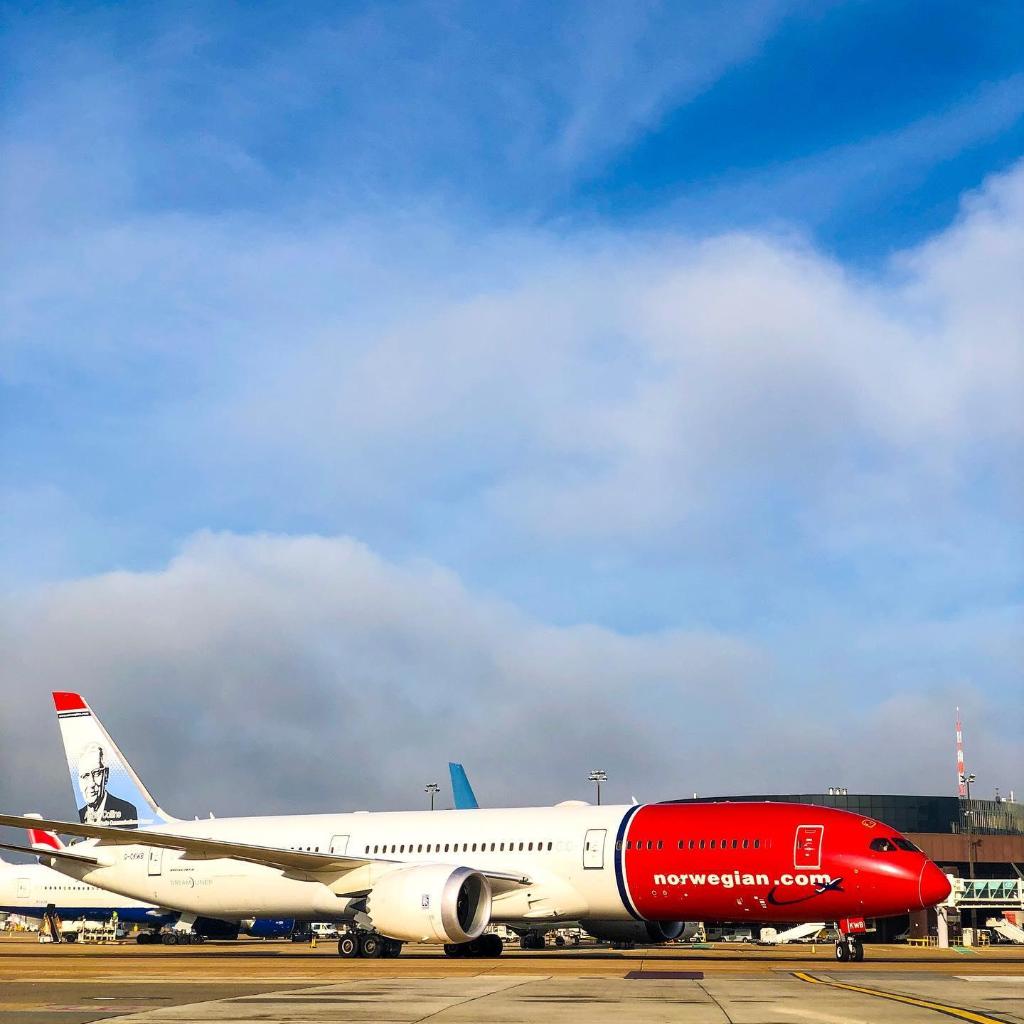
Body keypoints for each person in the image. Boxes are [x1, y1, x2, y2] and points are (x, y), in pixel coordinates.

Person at [77, 743, 138, 828]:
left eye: (96, 773)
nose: (91, 783)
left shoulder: (126, 811)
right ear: (79, 781)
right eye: (85, 776)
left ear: (106, 775)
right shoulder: (79, 816)